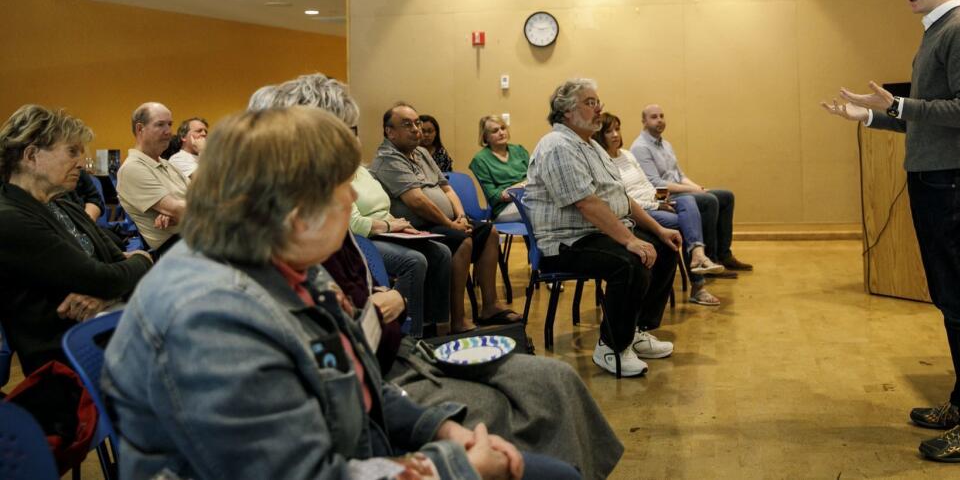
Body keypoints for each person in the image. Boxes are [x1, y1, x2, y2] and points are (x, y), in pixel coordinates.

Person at [101, 106, 583, 480]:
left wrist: (437, 428)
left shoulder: (281, 265)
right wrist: (456, 468)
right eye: (340, 187)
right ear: (295, 213)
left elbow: (347, 376)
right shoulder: (208, 321)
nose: (353, 198)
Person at [821, 0, 960, 462]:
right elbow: (927, 115)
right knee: (950, 303)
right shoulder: (935, 33)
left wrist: (898, 103)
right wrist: (872, 117)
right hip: (933, 183)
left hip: (952, 185)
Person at [263, 73, 453, 340]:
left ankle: (433, 328)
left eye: (352, 133)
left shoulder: (333, 242)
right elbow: (348, 357)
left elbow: (367, 308)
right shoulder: (267, 263)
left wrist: (386, 302)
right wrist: (376, 311)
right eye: (343, 135)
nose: (350, 195)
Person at [524, 78, 680, 377]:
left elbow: (621, 197)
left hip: (596, 232)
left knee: (665, 248)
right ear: (567, 111)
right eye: (590, 103)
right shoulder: (558, 145)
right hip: (566, 242)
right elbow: (587, 203)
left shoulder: (591, 145)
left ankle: (634, 330)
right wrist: (630, 241)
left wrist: (658, 231)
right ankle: (611, 346)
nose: (599, 109)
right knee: (630, 261)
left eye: (599, 103)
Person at [0, 105, 152, 376]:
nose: (81, 164)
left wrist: (106, 293)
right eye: (72, 152)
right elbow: (107, 277)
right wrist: (142, 258)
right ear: (31, 156)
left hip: (109, 326)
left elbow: (113, 264)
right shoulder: (10, 218)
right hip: (70, 356)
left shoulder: (61, 202)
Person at [372, 103, 520, 333]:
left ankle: (489, 306)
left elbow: (446, 188)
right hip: (418, 227)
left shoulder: (420, 152)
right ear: (389, 132)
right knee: (463, 240)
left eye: (417, 123)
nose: (415, 129)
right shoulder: (388, 159)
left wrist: (460, 215)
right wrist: (451, 224)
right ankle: (457, 319)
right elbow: (416, 202)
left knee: (488, 232)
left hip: (444, 221)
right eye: (407, 124)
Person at [593, 112, 723, 306]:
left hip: (655, 202)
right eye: (608, 131)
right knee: (683, 224)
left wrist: (662, 200)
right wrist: (656, 205)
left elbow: (647, 185)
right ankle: (699, 287)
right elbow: (624, 199)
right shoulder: (603, 162)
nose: (615, 135)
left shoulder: (627, 155)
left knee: (688, 199)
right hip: (639, 211)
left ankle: (698, 254)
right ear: (599, 135)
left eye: (617, 129)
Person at [630, 104, 751, 272]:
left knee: (726, 196)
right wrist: (692, 191)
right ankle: (708, 258)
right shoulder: (640, 147)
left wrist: (697, 187)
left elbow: (680, 175)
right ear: (643, 121)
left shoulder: (666, 145)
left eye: (662, 116)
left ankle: (725, 255)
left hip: (677, 190)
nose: (659, 120)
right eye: (654, 117)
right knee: (709, 201)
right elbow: (655, 184)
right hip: (660, 196)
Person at [116, 102, 189, 249]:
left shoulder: (167, 164)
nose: (169, 131)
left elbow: (202, 196)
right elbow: (180, 209)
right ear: (140, 129)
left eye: (170, 124)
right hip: (178, 250)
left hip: (195, 238)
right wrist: (177, 210)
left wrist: (177, 213)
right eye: (160, 125)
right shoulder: (132, 168)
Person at [468, 115, 529, 223]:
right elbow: (494, 196)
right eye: (495, 131)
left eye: (503, 128)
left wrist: (513, 190)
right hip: (503, 209)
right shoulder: (480, 160)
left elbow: (536, 178)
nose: (501, 133)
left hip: (529, 199)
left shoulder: (519, 150)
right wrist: (524, 185)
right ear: (485, 137)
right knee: (540, 209)